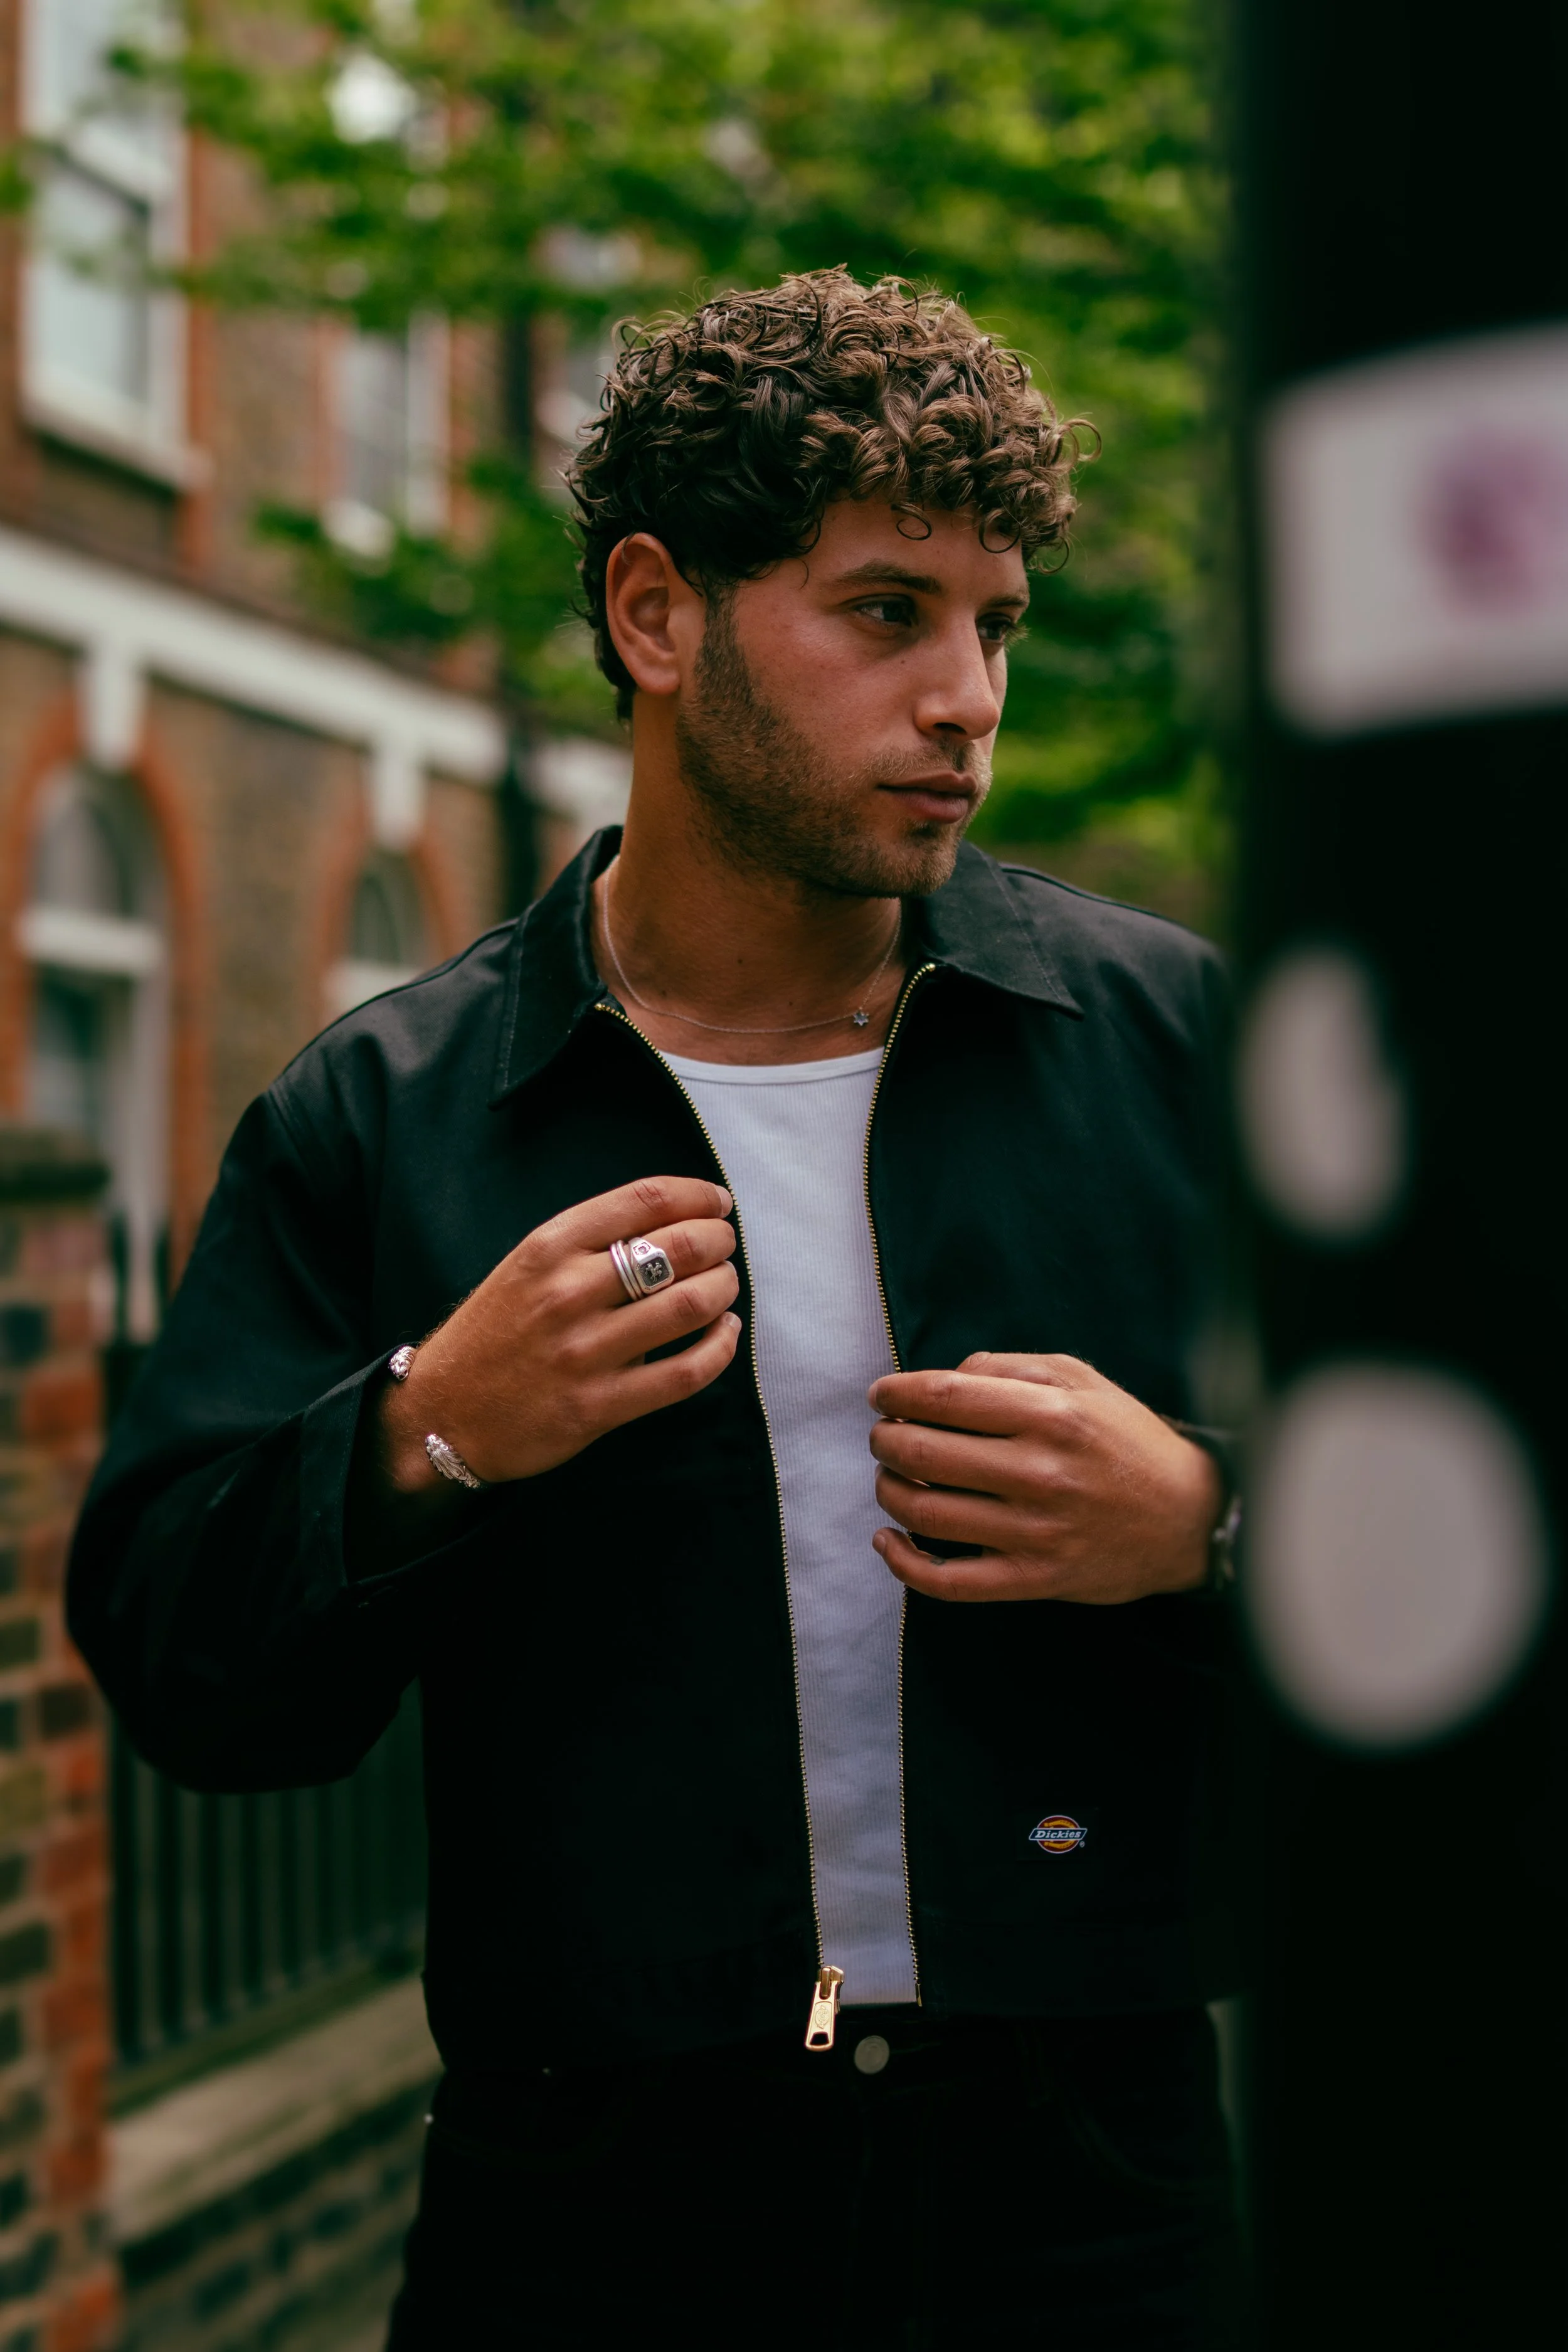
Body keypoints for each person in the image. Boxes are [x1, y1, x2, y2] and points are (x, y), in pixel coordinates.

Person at [68, 270, 1244, 2348]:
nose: (967, 693)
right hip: (589, 2213)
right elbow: (181, 1665)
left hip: (1095, 2192)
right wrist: (427, 1427)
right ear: (653, 615)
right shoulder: (392, 1108)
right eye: (887, 611)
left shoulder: (1163, 1044)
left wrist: (1206, 1523)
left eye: (996, 625)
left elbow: (1467, 1535)